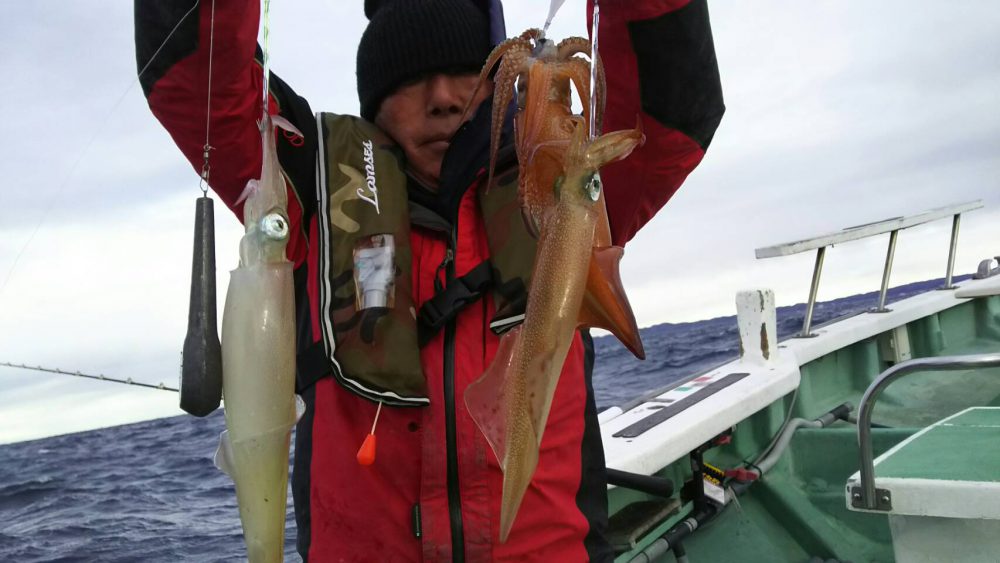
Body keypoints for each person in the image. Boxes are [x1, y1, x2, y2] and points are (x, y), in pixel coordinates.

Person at [135, 0, 723, 560]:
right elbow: (193, 77)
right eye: (411, 79)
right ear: (375, 101)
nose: (442, 98)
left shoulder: (562, 190)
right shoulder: (309, 198)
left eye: (467, 72)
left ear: (495, 86)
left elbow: (673, 108)